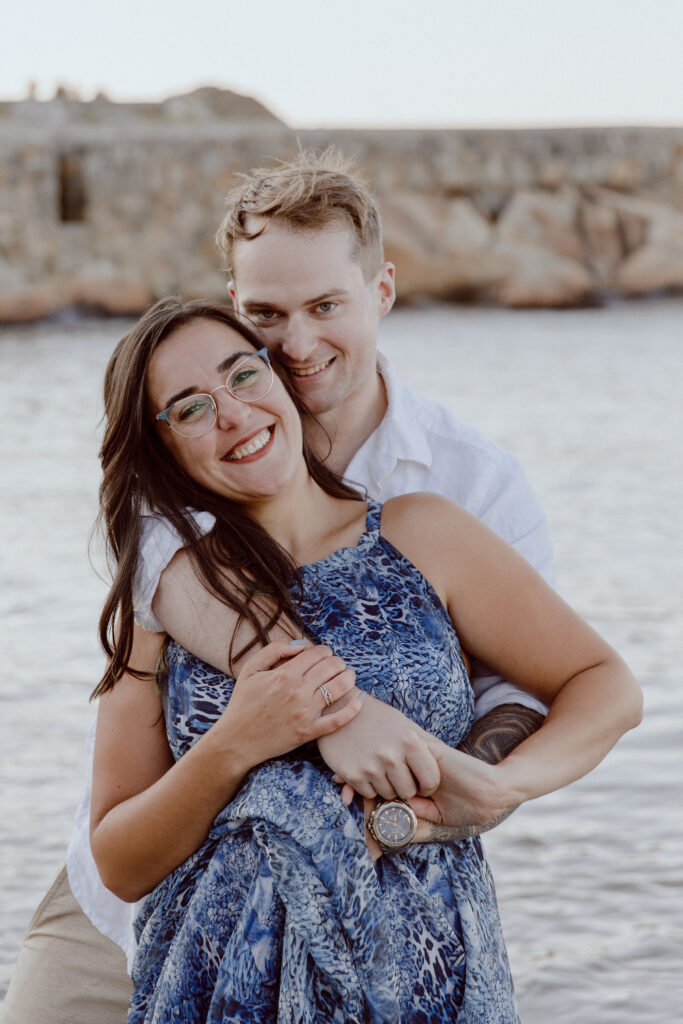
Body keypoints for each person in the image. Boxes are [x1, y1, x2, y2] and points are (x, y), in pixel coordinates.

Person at [1, 150, 555, 1022]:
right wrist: (328, 709)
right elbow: (157, 580)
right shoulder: (182, 486)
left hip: (391, 910)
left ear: (381, 291)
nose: (295, 345)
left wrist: (481, 789)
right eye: (266, 316)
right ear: (236, 312)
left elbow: (533, 688)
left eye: (325, 305)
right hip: (145, 905)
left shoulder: (466, 488)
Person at [92, 297, 640, 1023]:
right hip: (219, 982)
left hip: (418, 970)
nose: (232, 414)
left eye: (243, 376)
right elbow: (120, 863)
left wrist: (500, 785)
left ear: (281, 380)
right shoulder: (165, 600)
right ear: (163, 448)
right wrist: (233, 744)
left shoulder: (423, 532)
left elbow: (604, 685)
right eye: (190, 408)